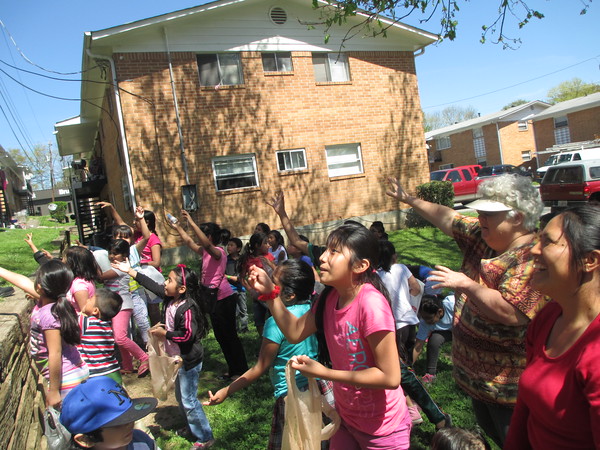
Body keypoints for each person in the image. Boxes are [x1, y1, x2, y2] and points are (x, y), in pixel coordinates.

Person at [386, 174, 548, 447]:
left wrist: (466, 285)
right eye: (480, 211)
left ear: (518, 218)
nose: (480, 217)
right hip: (477, 384)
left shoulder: (531, 258)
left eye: (489, 213)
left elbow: (512, 312)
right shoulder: (483, 238)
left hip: (508, 391)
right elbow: (448, 217)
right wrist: (409, 199)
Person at [249, 223, 411, 449]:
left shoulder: (371, 305)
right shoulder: (329, 297)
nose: (322, 257)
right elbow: (295, 332)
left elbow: (390, 377)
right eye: (326, 249)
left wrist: (325, 373)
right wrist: (270, 294)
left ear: (360, 265)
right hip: (347, 419)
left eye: (334, 252)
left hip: (382, 429)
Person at [504, 204, 600, 449]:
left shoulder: (595, 353)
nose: (533, 250)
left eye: (548, 242)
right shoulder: (548, 317)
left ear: (589, 260)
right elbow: (526, 408)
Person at [204, 259, 318, 449]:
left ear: (289, 295)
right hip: (318, 390)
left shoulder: (275, 324)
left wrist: (226, 391)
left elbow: (260, 367)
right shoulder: (313, 312)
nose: (269, 284)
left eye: (274, 282)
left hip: (291, 399)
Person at [115, 260, 215, 449]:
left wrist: (165, 334)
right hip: (175, 360)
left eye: (169, 280)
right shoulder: (171, 298)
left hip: (188, 361)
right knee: (181, 397)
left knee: (189, 399)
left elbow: (187, 335)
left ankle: (205, 436)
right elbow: (152, 285)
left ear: (182, 289)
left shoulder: (188, 308)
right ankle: (191, 427)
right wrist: (130, 271)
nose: (164, 283)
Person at [168, 211, 248, 380]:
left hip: (224, 299)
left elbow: (206, 244)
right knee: (221, 336)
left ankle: (241, 370)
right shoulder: (205, 252)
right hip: (213, 299)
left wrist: (191, 222)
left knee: (229, 335)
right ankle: (233, 369)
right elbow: (189, 242)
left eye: (203, 235)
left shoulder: (218, 251)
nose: (199, 238)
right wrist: (178, 227)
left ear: (209, 237)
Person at [0, 260, 88, 406]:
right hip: (71, 372)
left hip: (65, 378)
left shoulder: (49, 315)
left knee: (65, 419)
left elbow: (55, 353)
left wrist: (53, 390)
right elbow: (22, 281)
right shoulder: (53, 301)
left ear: (40, 287)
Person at [60, 376, 158, 449]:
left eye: (129, 416)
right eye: (118, 423)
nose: (130, 424)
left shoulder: (141, 440)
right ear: (86, 439)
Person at [105, 239, 150, 378]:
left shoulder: (121, 267)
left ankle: (144, 357)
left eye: (115, 253)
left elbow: (99, 277)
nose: (112, 256)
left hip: (123, 306)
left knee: (120, 337)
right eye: (110, 253)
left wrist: (90, 265)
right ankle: (127, 365)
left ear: (125, 255)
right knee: (119, 337)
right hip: (115, 305)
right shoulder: (114, 265)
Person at [376, 240, 421, 363]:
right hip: (409, 317)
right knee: (408, 352)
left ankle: (402, 374)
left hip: (393, 322)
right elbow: (416, 288)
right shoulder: (402, 268)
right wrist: (407, 297)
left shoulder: (375, 276)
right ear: (394, 256)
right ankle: (410, 371)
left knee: (395, 357)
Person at [78, 288, 124, 384]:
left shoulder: (86, 322)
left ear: (95, 310)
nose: (87, 300)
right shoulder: (106, 324)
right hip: (113, 372)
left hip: (96, 374)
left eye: (90, 299)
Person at [238, 232, 277, 336]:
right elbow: (242, 278)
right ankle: (263, 339)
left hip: (271, 292)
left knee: (274, 316)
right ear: (257, 245)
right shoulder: (248, 259)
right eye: (265, 243)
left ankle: (276, 338)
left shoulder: (269, 257)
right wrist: (250, 290)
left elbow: (277, 272)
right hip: (257, 295)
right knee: (259, 320)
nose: (269, 245)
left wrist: (270, 264)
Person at [413, 294, 455, 383]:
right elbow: (418, 347)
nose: (427, 321)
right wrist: (408, 366)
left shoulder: (452, 304)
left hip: (464, 329)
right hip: (448, 332)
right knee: (434, 340)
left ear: (440, 312)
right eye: (423, 318)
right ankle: (430, 374)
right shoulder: (425, 323)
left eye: (429, 318)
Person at [63, 246, 101, 313]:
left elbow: (84, 310)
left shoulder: (80, 285)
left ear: (72, 264)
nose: (62, 261)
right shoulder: (81, 280)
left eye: (64, 259)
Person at [225, 237, 248, 333]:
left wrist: (229, 277)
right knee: (234, 310)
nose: (228, 247)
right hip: (230, 288)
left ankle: (244, 328)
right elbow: (223, 273)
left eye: (231, 245)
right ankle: (235, 328)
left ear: (238, 248)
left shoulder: (242, 259)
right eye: (228, 245)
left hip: (241, 287)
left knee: (243, 309)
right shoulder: (226, 260)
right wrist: (229, 277)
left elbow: (243, 274)